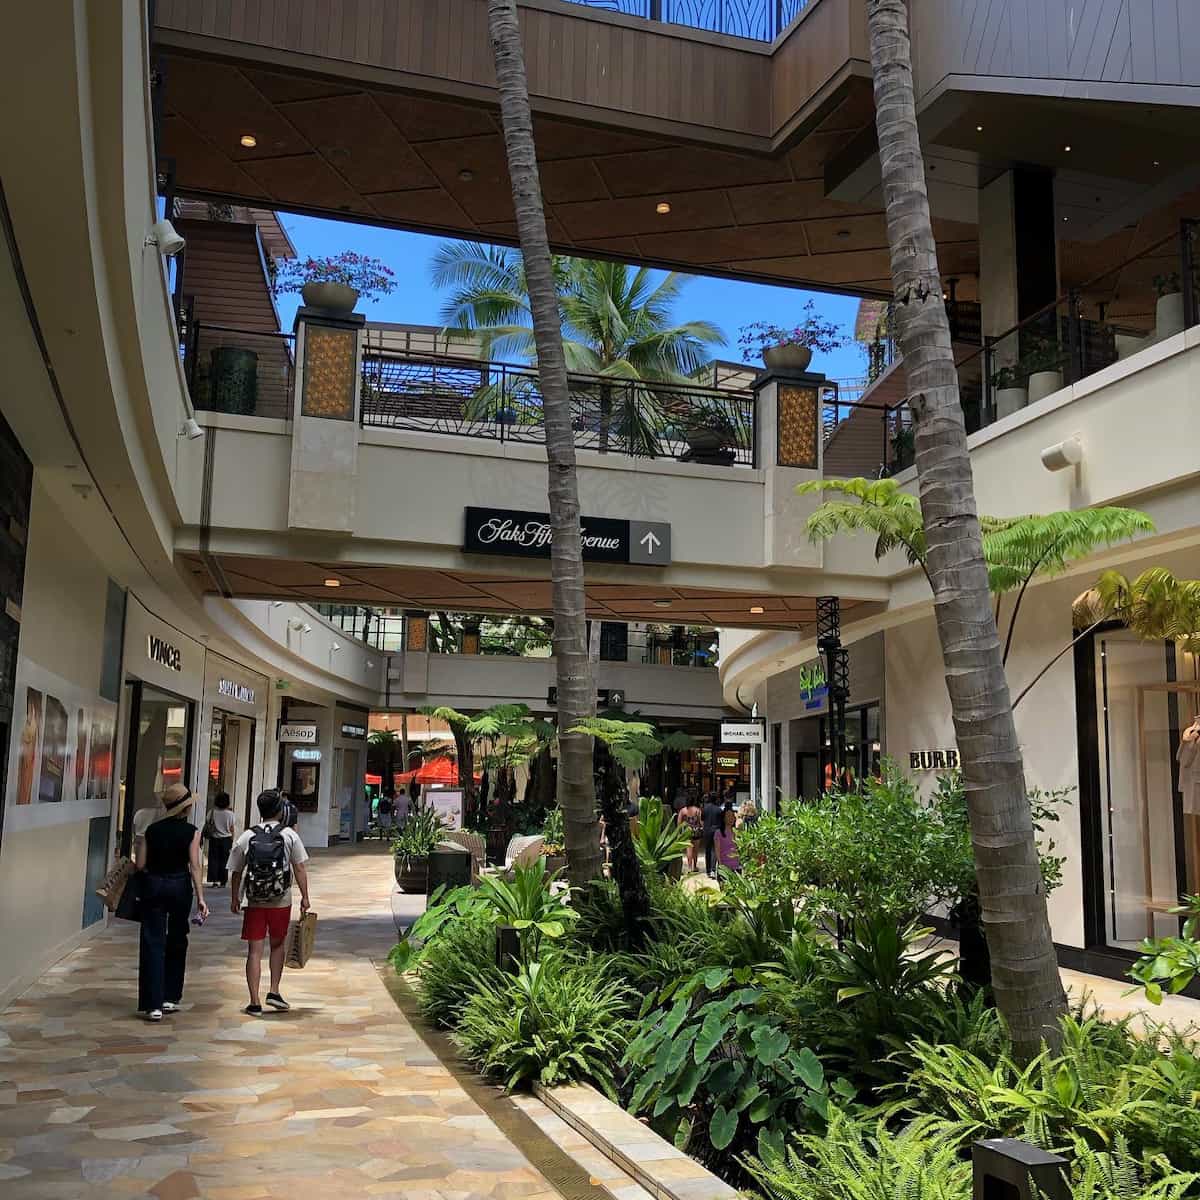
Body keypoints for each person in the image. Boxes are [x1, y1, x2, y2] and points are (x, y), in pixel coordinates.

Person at [229, 789, 311, 1016]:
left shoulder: (247, 835)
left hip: (254, 901)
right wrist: (305, 896)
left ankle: (254, 1001)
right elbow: (299, 867)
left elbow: (236, 871)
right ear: (280, 810)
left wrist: (235, 897)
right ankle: (274, 991)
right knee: (277, 945)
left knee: (254, 951)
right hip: (280, 900)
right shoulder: (289, 835)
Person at [136, 782, 208, 1021]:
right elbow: (195, 866)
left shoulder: (151, 830)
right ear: (186, 808)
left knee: (152, 941)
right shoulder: (192, 832)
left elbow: (140, 864)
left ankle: (153, 1004)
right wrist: (201, 898)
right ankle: (170, 996)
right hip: (179, 886)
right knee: (177, 938)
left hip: (153, 885)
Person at [205, 792, 237, 887]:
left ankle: (214, 881)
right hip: (226, 839)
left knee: (213, 859)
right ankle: (223, 881)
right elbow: (232, 828)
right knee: (225, 860)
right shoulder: (230, 814)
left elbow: (208, 823)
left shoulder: (211, 812)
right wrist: (232, 839)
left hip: (214, 839)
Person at [701, 792, 724, 878]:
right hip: (716, 831)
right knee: (715, 850)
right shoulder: (719, 810)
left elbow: (702, 820)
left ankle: (708, 870)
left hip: (707, 830)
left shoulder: (705, 809)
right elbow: (722, 822)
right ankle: (713, 869)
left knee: (707, 850)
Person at [679, 794, 703, 873]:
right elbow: (700, 822)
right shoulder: (698, 810)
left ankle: (689, 867)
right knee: (696, 850)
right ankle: (694, 866)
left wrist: (680, 832)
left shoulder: (683, 811)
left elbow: (679, 822)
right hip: (696, 831)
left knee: (689, 850)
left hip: (687, 832)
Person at [714, 807, 741, 876]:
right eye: (728, 816)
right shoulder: (718, 833)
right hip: (725, 866)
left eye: (732, 816)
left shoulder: (737, 832)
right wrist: (720, 865)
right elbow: (717, 850)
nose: (731, 818)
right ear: (723, 818)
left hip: (737, 866)